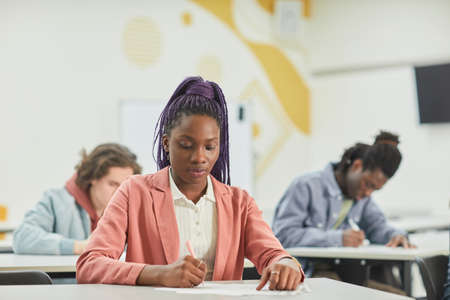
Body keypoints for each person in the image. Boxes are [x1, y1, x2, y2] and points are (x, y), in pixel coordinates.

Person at [76, 77, 304, 290]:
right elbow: (89, 265)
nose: (199, 157)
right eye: (186, 145)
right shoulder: (135, 192)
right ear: (166, 143)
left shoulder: (239, 203)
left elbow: (273, 254)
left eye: (209, 147)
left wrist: (285, 264)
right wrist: (159, 274)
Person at [272, 131, 413, 292]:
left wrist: (395, 236)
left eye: (375, 189)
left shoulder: (361, 197)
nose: (368, 193)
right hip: (306, 275)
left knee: (399, 295)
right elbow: (283, 235)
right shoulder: (306, 186)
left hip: (344, 275)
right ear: (356, 166)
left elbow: (377, 227)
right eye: (368, 184)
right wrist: (337, 238)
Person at [13, 143, 142, 255]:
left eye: (124, 185)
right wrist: (77, 246)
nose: (119, 191)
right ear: (93, 178)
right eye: (113, 184)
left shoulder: (130, 208)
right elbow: (22, 238)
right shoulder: (56, 200)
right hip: (70, 283)